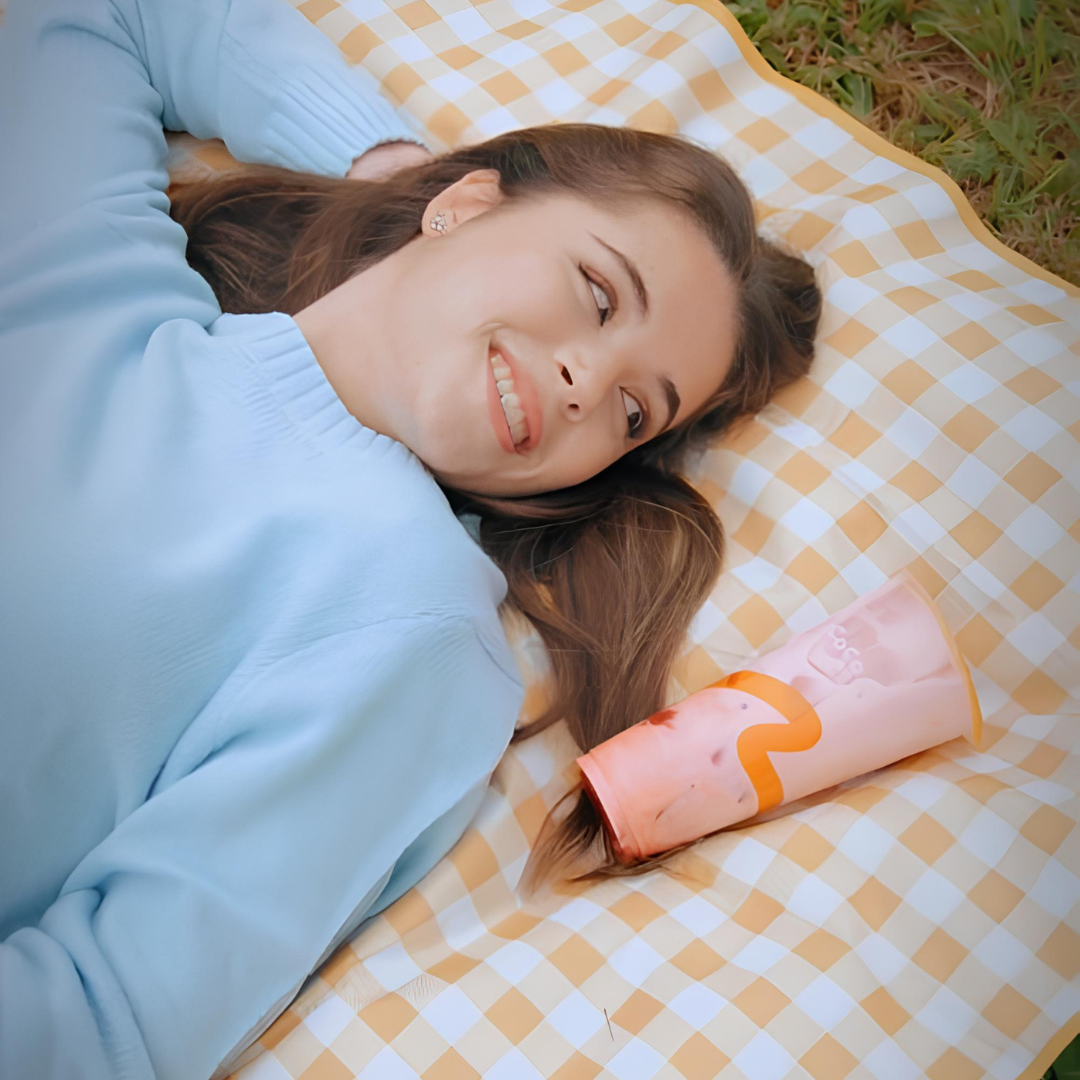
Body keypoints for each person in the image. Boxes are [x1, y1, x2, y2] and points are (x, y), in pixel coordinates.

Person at [0, 0, 820, 1077]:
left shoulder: (412, 626)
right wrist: (384, 155)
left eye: (635, 412)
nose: (587, 381)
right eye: (595, 292)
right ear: (466, 204)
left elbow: (107, 1021)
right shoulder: (91, 283)